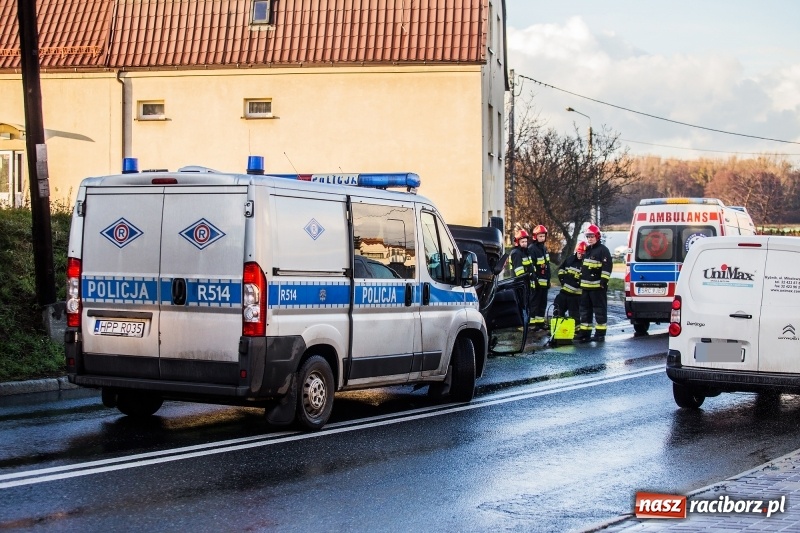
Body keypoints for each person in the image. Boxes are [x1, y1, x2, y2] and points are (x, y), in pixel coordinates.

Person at [575, 224, 613, 342]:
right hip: (586, 288)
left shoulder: (603, 250)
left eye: (592, 236)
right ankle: (585, 333)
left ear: (597, 236)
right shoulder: (588, 250)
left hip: (597, 287)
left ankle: (600, 334)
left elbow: (607, 267)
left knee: (599, 310)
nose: (590, 239)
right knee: (585, 311)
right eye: (588, 237)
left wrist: (603, 282)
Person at [510, 229, 536, 325]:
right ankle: (521, 324)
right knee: (521, 306)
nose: (525, 243)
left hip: (526, 284)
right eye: (522, 242)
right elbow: (519, 272)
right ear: (517, 242)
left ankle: (525, 324)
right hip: (520, 284)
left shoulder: (525, 252)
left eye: (525, 241)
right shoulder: (516, 253)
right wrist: (528, 277)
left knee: (527, 305)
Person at [554, 241, 585, 321]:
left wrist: (578, 283)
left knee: (574, 315)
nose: (580, 256)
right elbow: (561, 269)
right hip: (564, 292)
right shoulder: (570, 259)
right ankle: (557, 327)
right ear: (576, 252)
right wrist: (562, 279)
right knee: (558, 309)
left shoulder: (586, 263)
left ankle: (575, 330)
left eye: (582, 254)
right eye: (579, 253)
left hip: (576, 295)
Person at [528, 225, 551, 331]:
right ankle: (531, 324)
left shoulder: (544, 248)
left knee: (543, 302)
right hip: (536, 281)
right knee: (535, 302)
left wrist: (549, 280)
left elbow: (547, 265)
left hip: (544, 281)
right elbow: (531, 267)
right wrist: (535, 280)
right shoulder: (532, 249)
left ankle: (540, 323)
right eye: (540, 236)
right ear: (535, 237)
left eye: (543, 236)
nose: (542, 238)